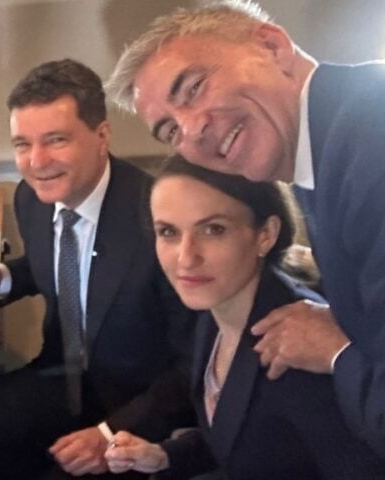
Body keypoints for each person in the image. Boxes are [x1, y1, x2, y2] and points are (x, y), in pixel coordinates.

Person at [105, 0, 385, 455]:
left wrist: (337, 352)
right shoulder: (323, 160)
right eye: (170, 130)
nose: (191, 131)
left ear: (272, 46)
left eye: (193, 88)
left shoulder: (371, 142)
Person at [0, 59, 195, 479]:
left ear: (101, 136)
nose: (37, 161)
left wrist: (109, 433)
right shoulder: (31, 199)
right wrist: (3, 277)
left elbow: (193, 365)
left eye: (56, 140)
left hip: (136, 410)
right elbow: (57, 266)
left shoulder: (161, 219)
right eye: (22, 144)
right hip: (58, 378)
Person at [104, 156, 385, 479]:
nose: (186, 257)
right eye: (168, 232)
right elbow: (247, 436)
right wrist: (165, 455)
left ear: (266, 234)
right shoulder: (213, 311)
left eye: (213, 229)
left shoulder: (299, 351)